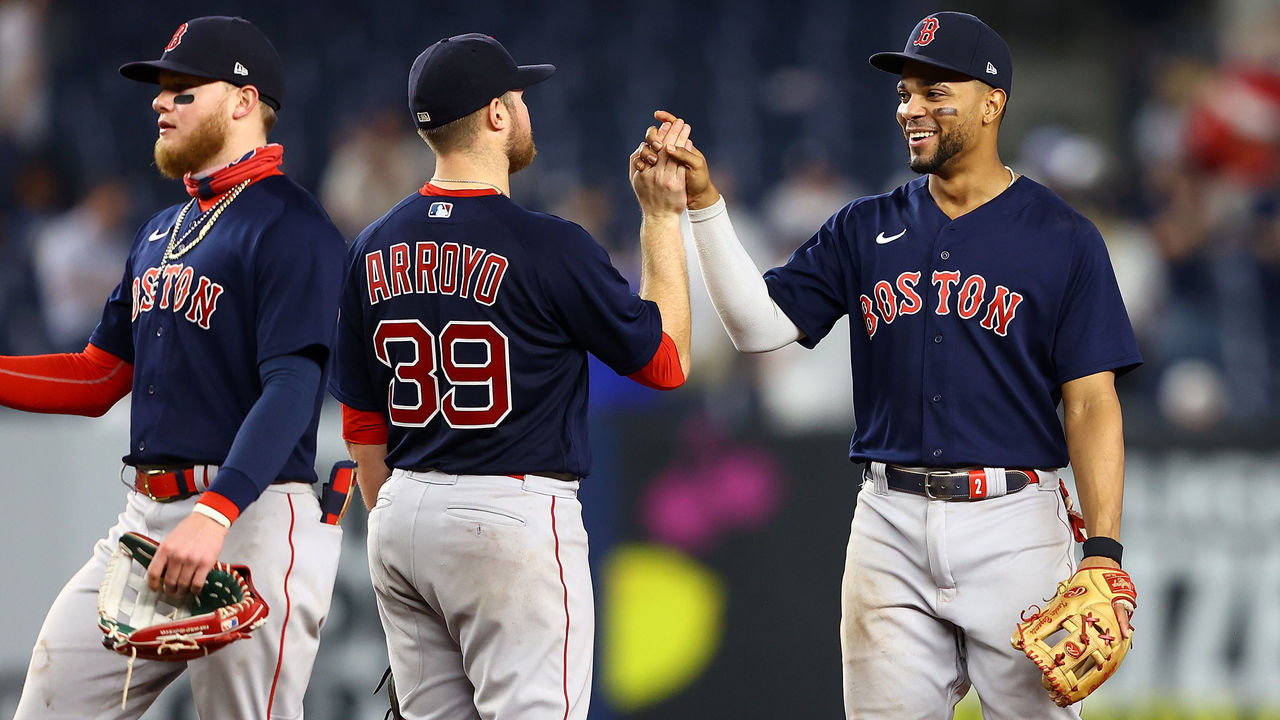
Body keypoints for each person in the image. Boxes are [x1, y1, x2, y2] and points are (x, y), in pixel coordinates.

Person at [636, 11, 1142, 719]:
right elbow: (757, 329)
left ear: (992, 102)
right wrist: (704, 208)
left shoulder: (1063, 238)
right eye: (906, 92)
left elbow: (1092, 404)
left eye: (937, 92)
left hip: (1014, 523)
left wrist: (1104, 551)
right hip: (889, 520)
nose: (913, 108)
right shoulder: (864, 225)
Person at [327, 33, 691, 720]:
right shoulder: (548, 243)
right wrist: (662, 220)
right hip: (509, 516)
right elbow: (666, 362)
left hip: (402, 517)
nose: (527, 110)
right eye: (518, 97)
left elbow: (361, 425)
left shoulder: (369, 246)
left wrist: (412, 520)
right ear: (496, 116)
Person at [0, 16, 347, 719]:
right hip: (146, 520)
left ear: (244, 102)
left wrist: (217, 512)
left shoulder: (293, 226)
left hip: (249, 518)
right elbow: (100, 377)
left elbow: (293, 386)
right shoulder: (162, 229)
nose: (161, 101)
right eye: (161, 89)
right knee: (50, 703)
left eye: (184, 89)